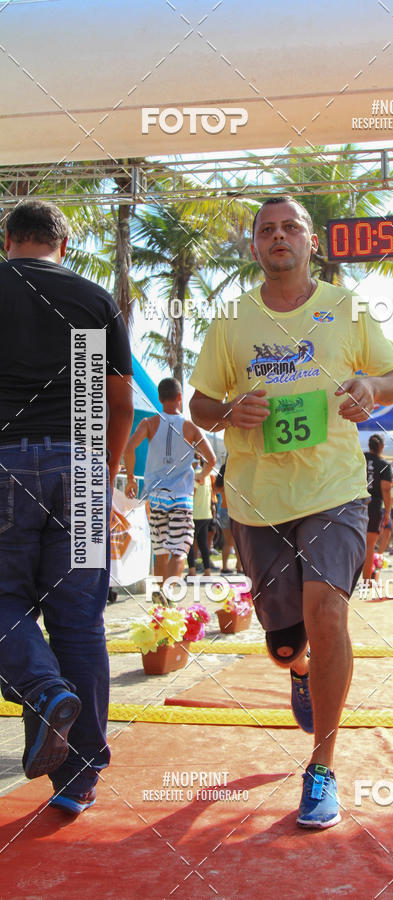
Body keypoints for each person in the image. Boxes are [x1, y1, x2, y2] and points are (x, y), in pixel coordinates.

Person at [189, 195, 393, 829]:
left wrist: (372, 389)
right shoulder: (232, 319)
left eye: (291, 227)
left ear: (311, 242)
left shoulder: (346, 306)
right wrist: (228, 413)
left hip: (335, 487)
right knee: (286, 642)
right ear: (254, 247)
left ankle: (322, 768)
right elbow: (201, 404)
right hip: (257, 497)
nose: (278, 237)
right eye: (266, 230)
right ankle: (299, 668)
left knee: (328, 608)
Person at [0, 200, 134, 815]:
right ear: (64, 242)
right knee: (79, 622)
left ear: (8, 240)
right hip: (78, 463)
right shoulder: (91, 299)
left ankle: (45, 688)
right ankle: (78, 778)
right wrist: (100, 480)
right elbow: (116, 401)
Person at [123, 377, 216, 600]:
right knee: (181, 549)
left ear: (160, 397)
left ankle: (159, 603)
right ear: (180, 397)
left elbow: (129, 448)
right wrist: (202, 476)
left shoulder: (148, 423)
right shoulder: (190, 428)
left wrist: (130, 479)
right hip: (181, 497)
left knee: (161, 551)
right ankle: (166, 594)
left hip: (155, 496)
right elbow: (211, 459)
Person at [363, 434, 393, 578]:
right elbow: (386, 490)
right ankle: (367, 579)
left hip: (355, 504)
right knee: (369, 544)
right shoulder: (384, 465)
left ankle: (349, 579)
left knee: (353, 542)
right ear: (381, 447)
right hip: (373, 505)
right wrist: (388, 511)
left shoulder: (359, 458)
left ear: (369, 446)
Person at [187, 455, 216, 578]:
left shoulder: (196, 474)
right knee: (203, 544)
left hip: (195, 514)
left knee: (189, 543)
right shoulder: (207, 475)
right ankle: (207, 571)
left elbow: (192, 493)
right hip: (206, 514)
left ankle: (192, 572)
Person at [214, 460, 240, 574]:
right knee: (238, 542)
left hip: (224, 510)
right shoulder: (236, 479)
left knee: (227, 542)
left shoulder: (221, 481)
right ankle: (240, 567)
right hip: (235, 511)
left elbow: (214, 491)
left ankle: (224, 567)